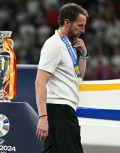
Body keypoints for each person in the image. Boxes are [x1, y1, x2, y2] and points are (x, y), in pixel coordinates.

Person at [35, 3, 89, 153]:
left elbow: (78, 78)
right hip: (59, 111)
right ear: (67, 23)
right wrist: (43, 117)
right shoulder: (54, 44)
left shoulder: (69, 46)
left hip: (63, 110)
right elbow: (40, 82)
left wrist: (83, 55)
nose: (83, 30)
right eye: (80, 26)